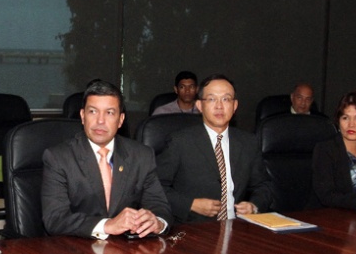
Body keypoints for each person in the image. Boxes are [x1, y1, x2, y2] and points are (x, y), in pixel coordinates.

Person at [42, 79, 171, 239]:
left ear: (120, 120)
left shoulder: (141, 155)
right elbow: (54, 218)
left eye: (109, 113)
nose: (100, 121)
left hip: (127, 249)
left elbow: (160, 206)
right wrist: (107, 225)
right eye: (93, 112)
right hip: (75, 247)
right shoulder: (58, 157)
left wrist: (157, 222)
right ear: (82, 116)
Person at [156, 74, 275, 224]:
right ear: (199, 105)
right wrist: (190, 204)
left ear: (235, 106)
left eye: (226, 99)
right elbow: (155, 186)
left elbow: (264, 186)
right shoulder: (180, 141)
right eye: (212, 99)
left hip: (238, 227)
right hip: (194, 228)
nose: (219, 106)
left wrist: (254, 205)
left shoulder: (248, 142)